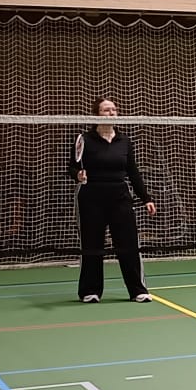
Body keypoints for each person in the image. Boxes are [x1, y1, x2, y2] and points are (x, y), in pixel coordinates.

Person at [69, 96, 156, 302]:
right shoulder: (85, 140)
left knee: (129, 244)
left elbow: (133, 172)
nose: (111, 113)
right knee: (92, 245)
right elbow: (72, 166)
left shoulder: (124, 141)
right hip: (91, 196)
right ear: (96, 115)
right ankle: (90, 291)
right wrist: (77, 175)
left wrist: (146, 198)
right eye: (106, 110)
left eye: (114, 110)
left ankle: (138, 290)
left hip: (120, 196)